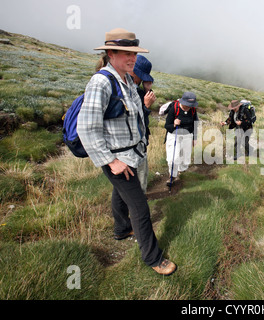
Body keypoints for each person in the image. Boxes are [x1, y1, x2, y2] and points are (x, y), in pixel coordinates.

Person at [77, 28, 176, 276]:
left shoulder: (127, 82)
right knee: (141, 208)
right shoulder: (101, 82)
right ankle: (153, 258)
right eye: (125, 53)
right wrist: (111, 161)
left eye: (134, 53)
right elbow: (86, 128)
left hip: (133, 154)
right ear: (110, 53)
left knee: (121, 194)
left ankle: (122, 230)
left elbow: (134, 119)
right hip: (119, 159)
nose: (131, 58)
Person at [129, 55, 156, 192]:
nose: (140, 80)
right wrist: (146, 107)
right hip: (132, 148)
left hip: (138, 145)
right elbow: (134, 121)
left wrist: (147, 90)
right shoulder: (126, 90)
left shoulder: (136, 90)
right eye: (140, 76)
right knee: (137, 187)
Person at [164, 92, 199, 185]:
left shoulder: (193, 110)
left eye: (191, 105)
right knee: (173, 159)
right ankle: (172, 176)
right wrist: (174, 124)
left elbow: (195, 124)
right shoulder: (174, 109)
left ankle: (180, 170)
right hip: (174, 135)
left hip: (188, 136)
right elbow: (167, 126)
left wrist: (195, 138)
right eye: (187, 105)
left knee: (185, 158)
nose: (189, 107)